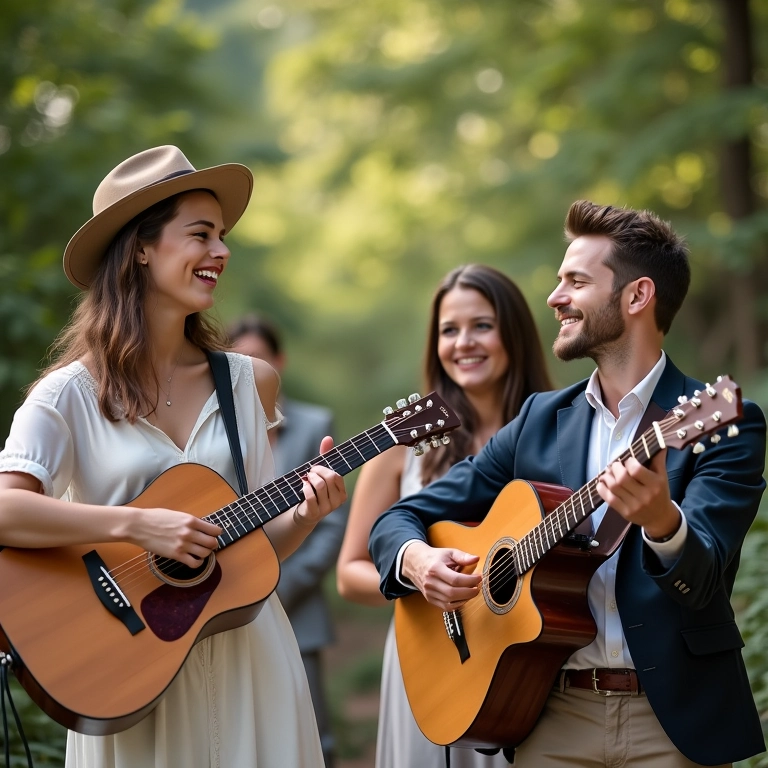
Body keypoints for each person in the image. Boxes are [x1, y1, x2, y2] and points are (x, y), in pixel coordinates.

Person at [369, 201, 767, 768]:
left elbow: (702, 583)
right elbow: (398, 518)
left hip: (673, 724)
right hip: (548, 717)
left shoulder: (723, 421)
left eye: (576, 281)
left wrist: (662, 523)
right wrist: (417, 562)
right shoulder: (537, 419)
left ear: (636, 297)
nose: (555, 298)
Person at [0, 145, 347, 768]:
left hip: (250, 663)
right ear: (140, 247)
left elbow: (253, 551)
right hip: (127, 671)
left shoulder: (250, 382)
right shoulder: (67, 396)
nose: (222, 251)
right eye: (201, 234)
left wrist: (307, 514)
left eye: (222, 235)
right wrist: (135, 524)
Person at [337, 264, 554, 767]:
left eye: (482, 325)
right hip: (431, 656)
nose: (464, 343)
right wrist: (421, 576)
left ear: (514, 332)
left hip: (524, 654)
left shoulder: (552, 433)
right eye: (448, 330)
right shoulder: (401, 443)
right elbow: (350, 572)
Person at [229, 314, 347, 768]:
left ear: (278, 362)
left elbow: (330, 527)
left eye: (258, 357)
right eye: (238, 359)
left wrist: (273, 586)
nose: (249, 367)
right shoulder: (220, 428)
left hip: (297, 605)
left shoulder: (316, 422)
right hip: (221, 604)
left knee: (312, 737)